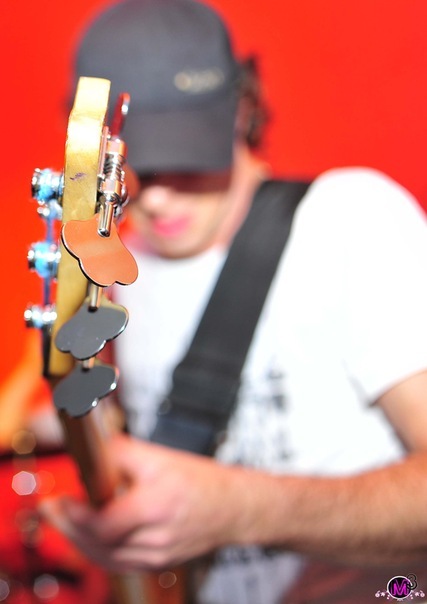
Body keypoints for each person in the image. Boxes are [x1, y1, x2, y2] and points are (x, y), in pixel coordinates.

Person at [39, 0, 427, 602]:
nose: (156, 198)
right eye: (133, 171)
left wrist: (244, 509)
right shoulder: (117, 270)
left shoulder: (348, 218)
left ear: (242, 111)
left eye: (184, 159)